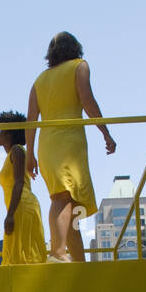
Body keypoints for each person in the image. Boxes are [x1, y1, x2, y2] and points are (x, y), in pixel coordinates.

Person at [26, 31, 115, 262]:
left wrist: (31, 153)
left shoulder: (39, 80)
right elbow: (87, 100)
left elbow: (31, 119)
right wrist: (105, 132)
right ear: (75, 47)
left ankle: (78, 262)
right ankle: (57, 252)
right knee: (63, 197)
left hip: (48, 144)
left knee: (72, 203)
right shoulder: (79, 66)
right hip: (68, 142)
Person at [0, 111, 47, 266]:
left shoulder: (17, 150)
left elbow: (19, 183)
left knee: (22, 255)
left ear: (9, 134)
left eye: (1, 131)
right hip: (18, 205)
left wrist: (10, 215)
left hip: (21, 206)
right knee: (16, 254)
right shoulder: (12, 153)